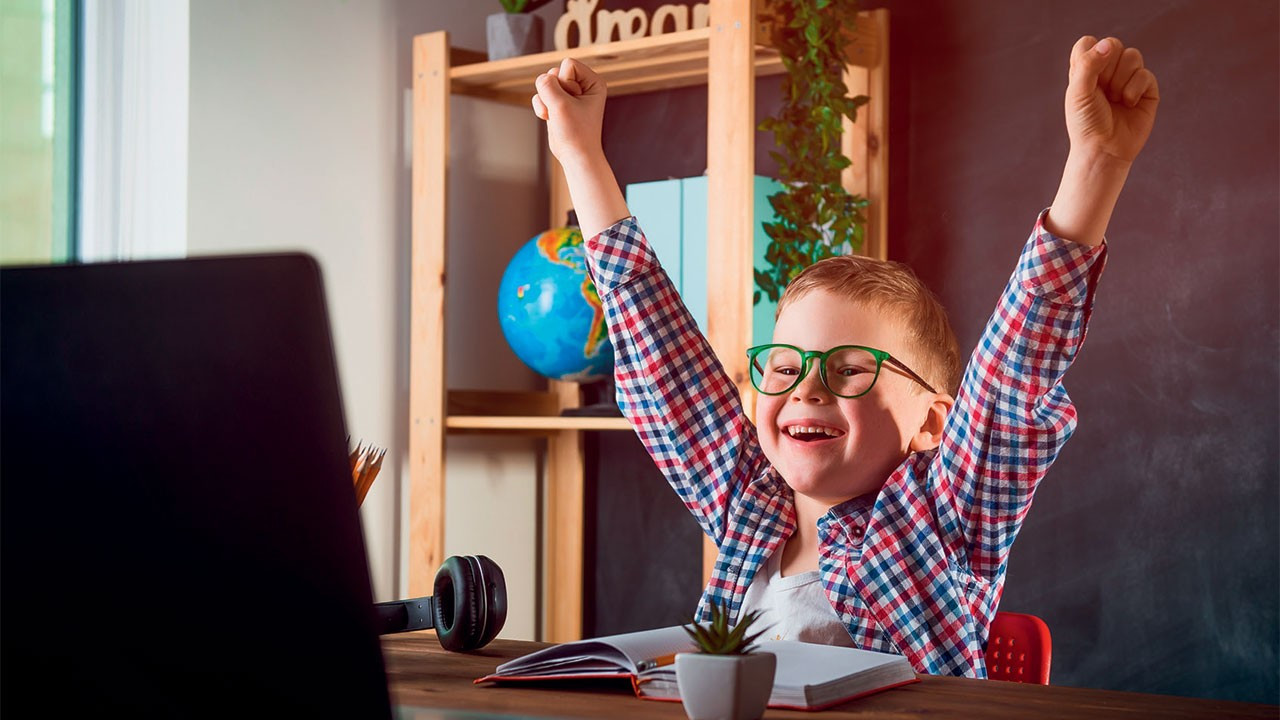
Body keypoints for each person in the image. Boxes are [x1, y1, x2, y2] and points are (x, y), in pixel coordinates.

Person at [531, 36, 1159, 677]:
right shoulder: (748, 501)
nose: (806, 389)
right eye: (783, 367)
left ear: (934, 423)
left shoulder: (944, 516)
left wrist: (1097, 162)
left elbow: (1013, 374)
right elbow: (658, 351)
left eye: (850, 370)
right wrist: (580, 153)